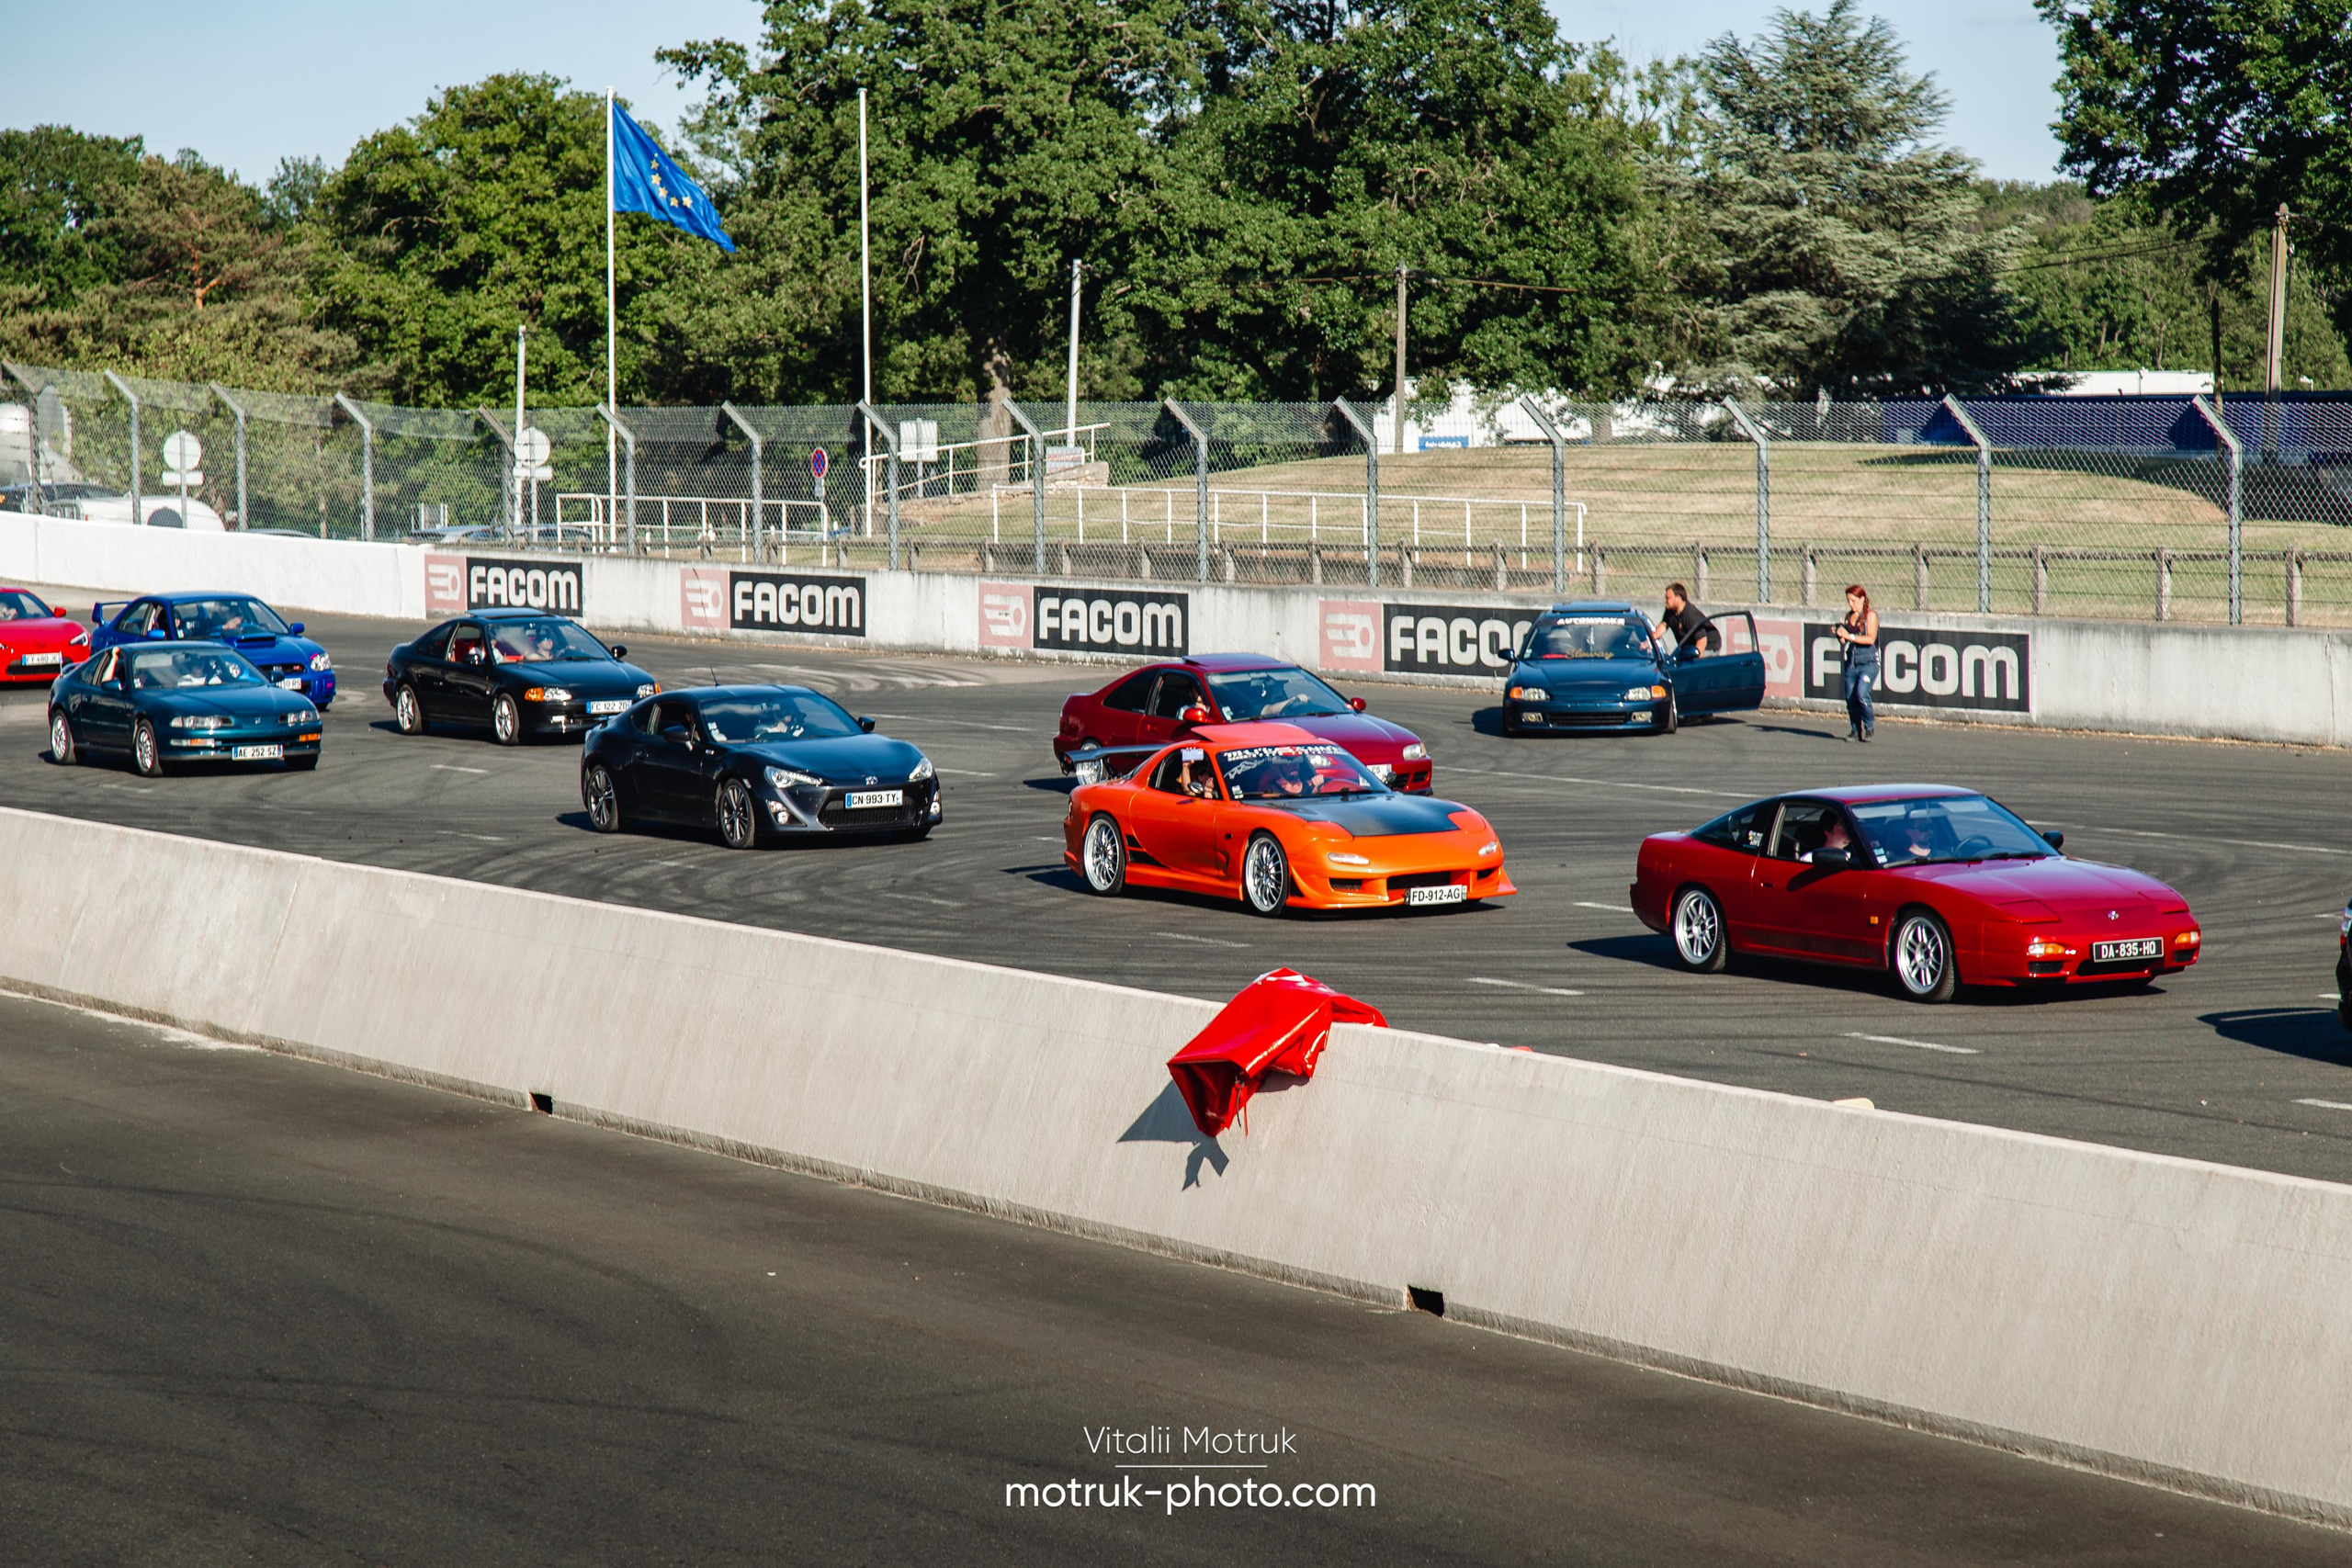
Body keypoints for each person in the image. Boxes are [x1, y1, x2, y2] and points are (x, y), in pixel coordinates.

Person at [1834, 583, 1880, 742]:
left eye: (1853, 601)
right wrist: (1840, 633)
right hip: (1852, 661)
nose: (1850, 604)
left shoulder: (1870, 616)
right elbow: (1843, 641)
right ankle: (1855, 729)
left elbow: (1870, 639)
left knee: (1861, 693)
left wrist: (1849, 637)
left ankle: (1869, 726)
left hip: (1868, 662)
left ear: (1861, 599)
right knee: (1850, 697)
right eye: (1848, 601)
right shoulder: (1849, 616)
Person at [1657, 582, 1717, 656]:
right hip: (1689, 647)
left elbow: (1702, 640)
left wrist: (1695, 662)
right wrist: (1648, 641)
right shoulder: (1670, 610)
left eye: (1668, 598)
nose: (1665, 601)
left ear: (1678, 598)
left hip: (1708, 647)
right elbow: (1664, 625)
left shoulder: (1690, 615)